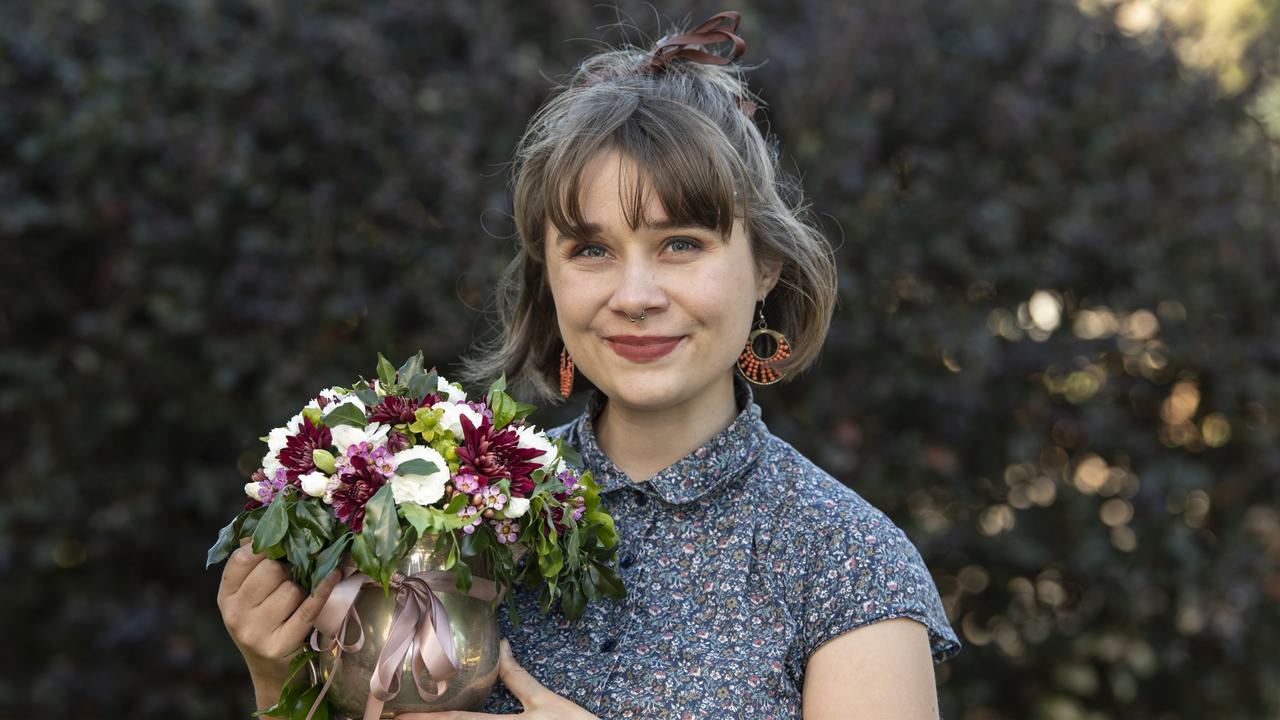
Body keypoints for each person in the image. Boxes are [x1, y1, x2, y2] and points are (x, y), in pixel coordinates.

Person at [217, 10, 960, 720]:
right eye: (592, 250)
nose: (634, 297)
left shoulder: (847, 560)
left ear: (765, 264)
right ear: (549, 275)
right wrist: (277, 676)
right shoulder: (454, 512)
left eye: (681, 244)